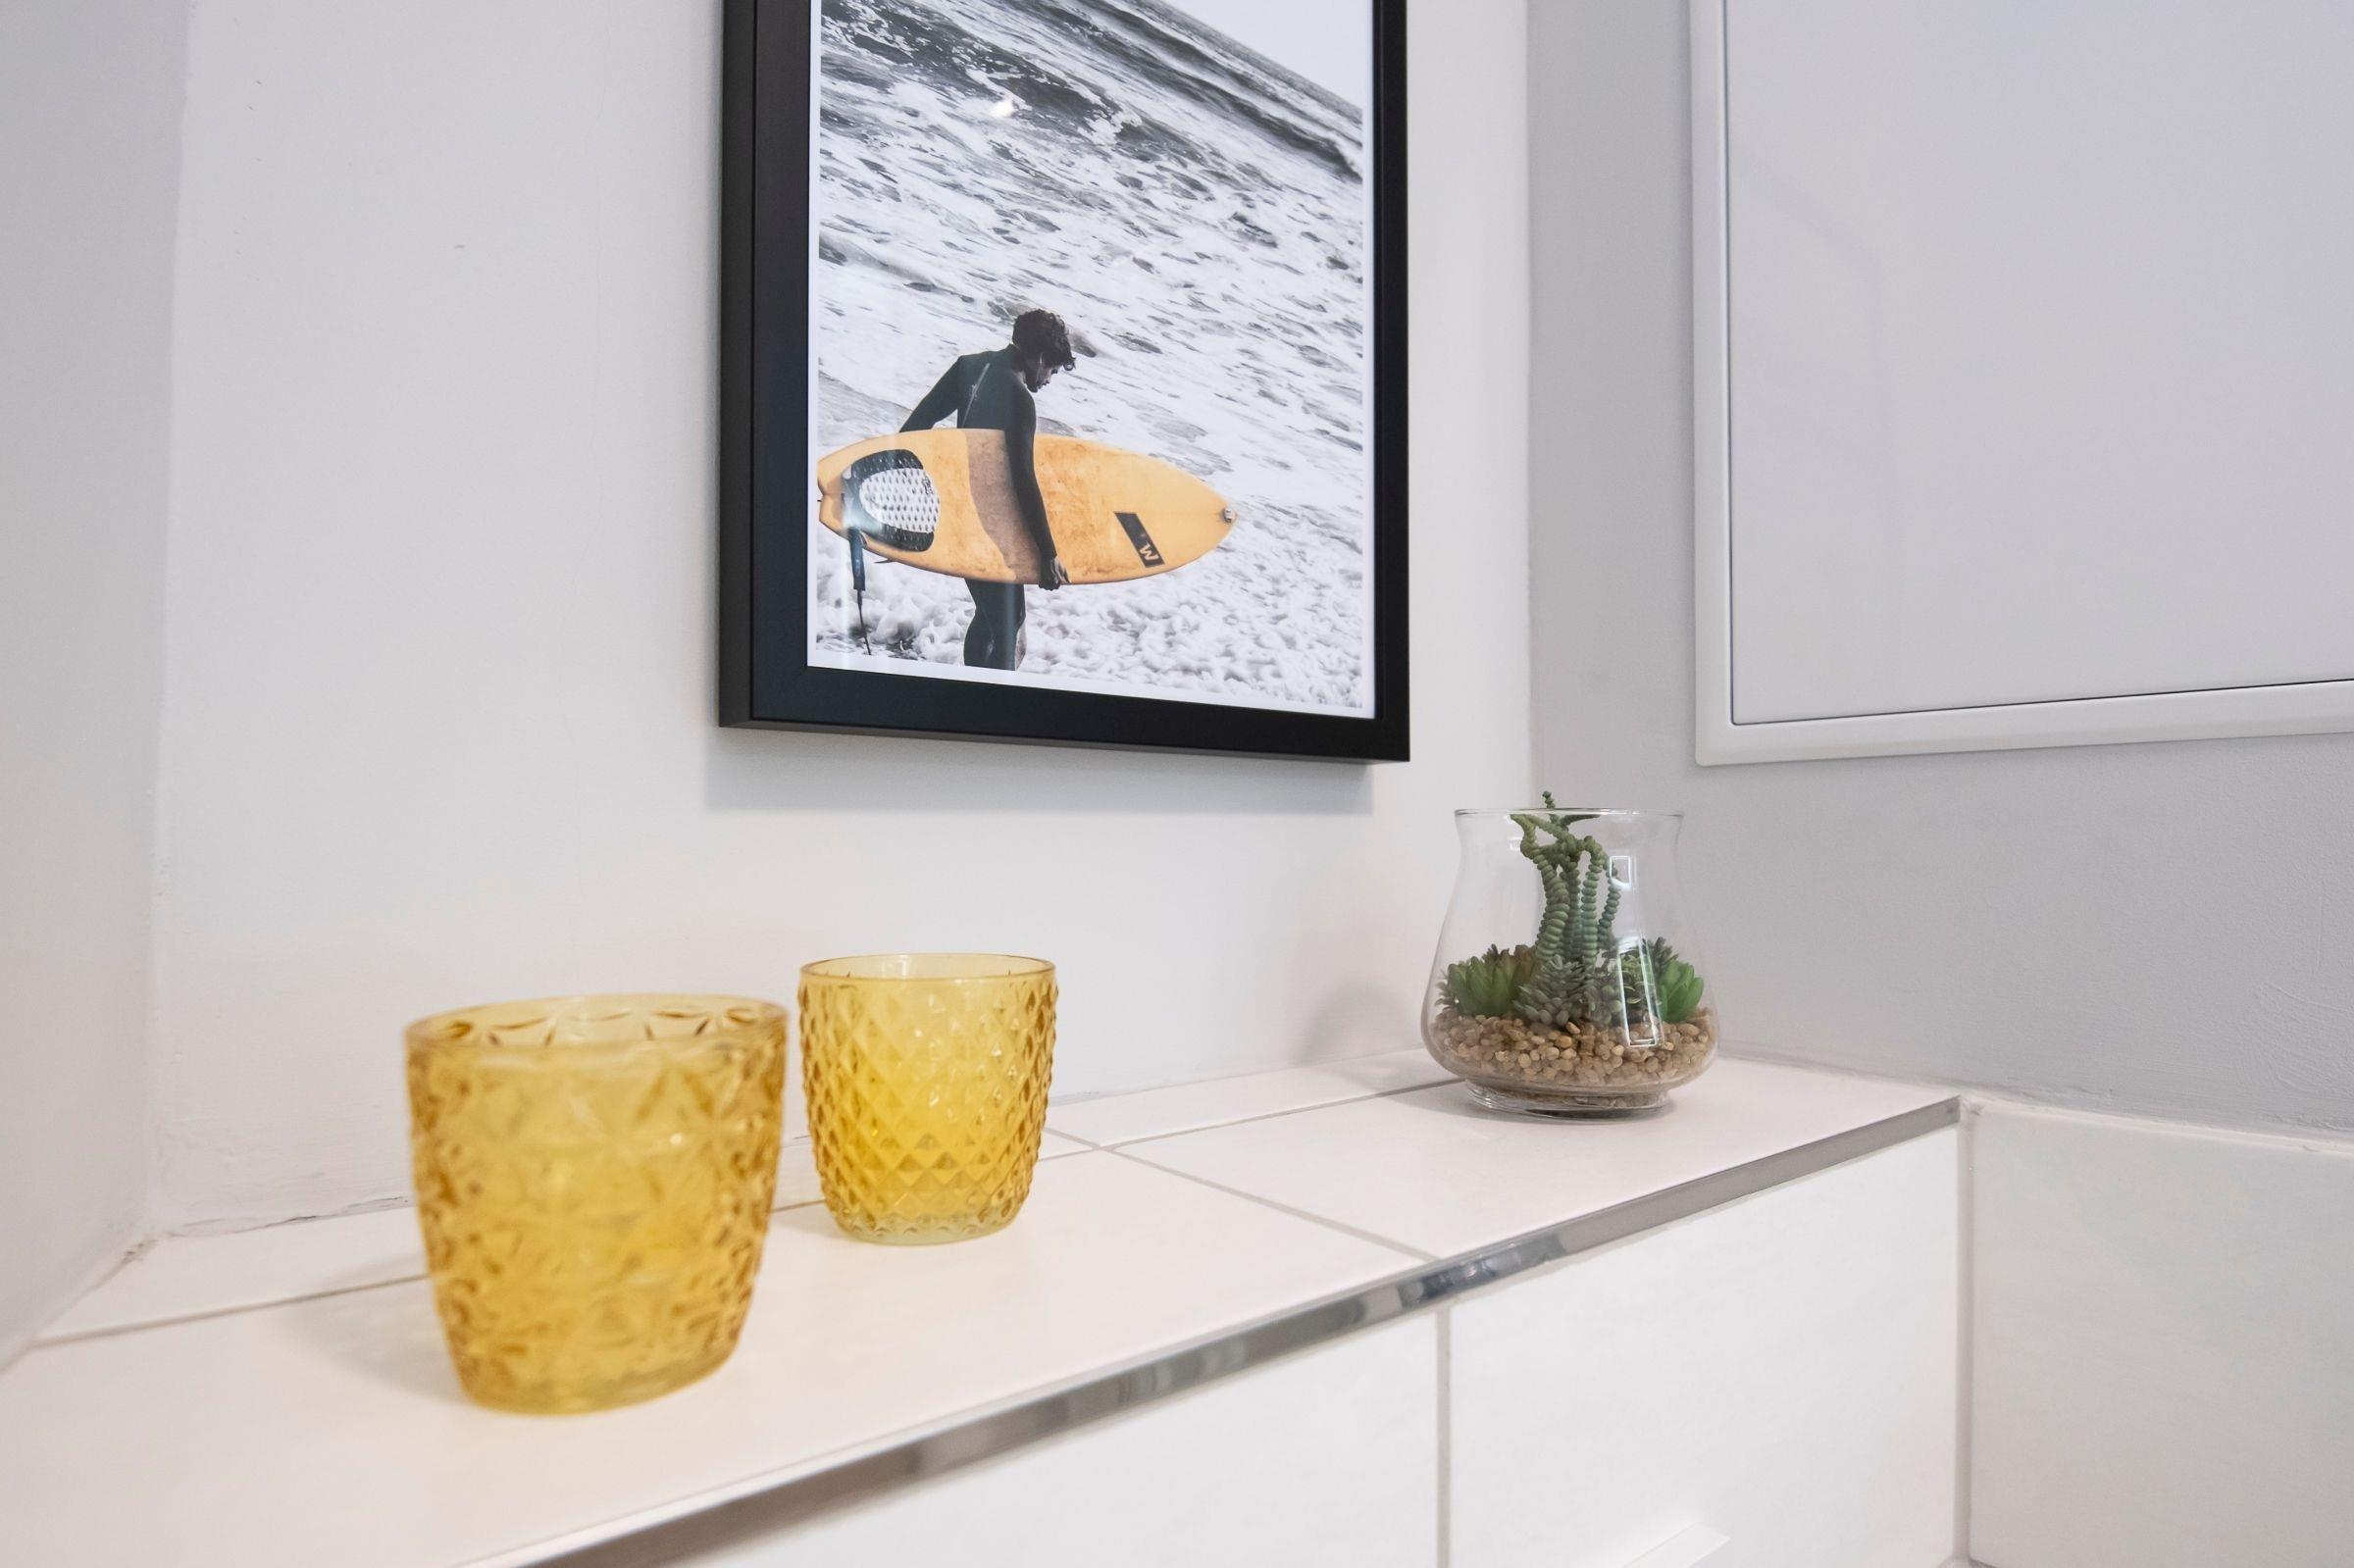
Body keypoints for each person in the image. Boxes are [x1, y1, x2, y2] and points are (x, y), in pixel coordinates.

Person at [900, 309, 1077, 669]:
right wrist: (1048, 552)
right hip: (992, 528)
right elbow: (1023, 479)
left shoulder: (968, 366)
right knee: (1011, 631)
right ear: (1040, 358)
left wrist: (918, 494)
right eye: (1052, 370)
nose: (1048, 380)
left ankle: (971, 686)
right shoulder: (1019, 397)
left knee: (989, 617)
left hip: (958, 517)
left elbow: (913, 430)